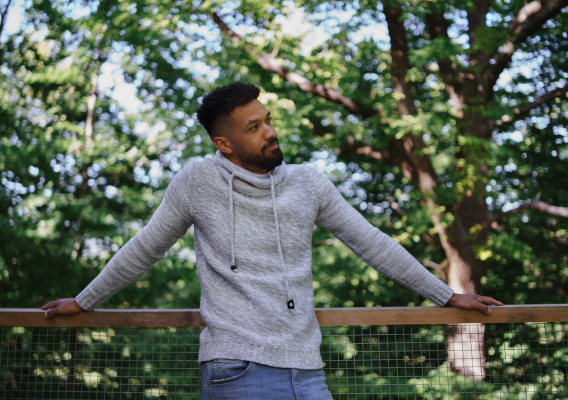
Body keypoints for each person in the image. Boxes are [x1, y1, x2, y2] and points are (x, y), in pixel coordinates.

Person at [42, 82, 502, 399]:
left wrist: (445, 295)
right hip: (237, 369)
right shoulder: (197, 182)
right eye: (253, 127)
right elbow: (145, 248)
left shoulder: (308, 183)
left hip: (308, 370)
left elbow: (372, 242)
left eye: (268, 120)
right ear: (223, 144)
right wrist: (85, 301)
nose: (270, 131)